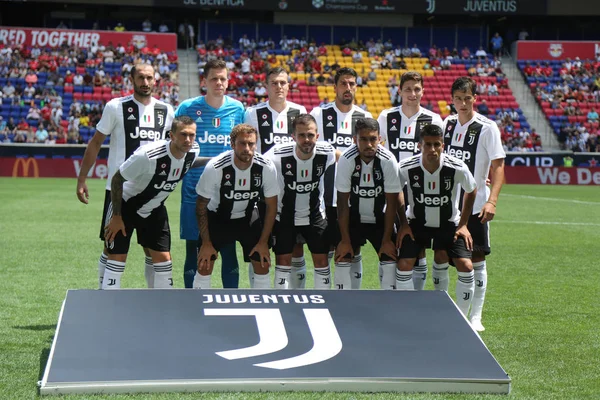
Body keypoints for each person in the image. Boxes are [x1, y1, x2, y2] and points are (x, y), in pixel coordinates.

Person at [76, 63, 175, 289]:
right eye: (141, 77)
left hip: (152, 193)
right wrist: (82, 178)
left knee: (155, 250)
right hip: (120, 192)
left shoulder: (166, 110)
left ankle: (156, 303)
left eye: (149, 78)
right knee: (113, 247)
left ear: (155, 80)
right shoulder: (115, 107)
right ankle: (105, 297)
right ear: (131, 79)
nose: (145, 82)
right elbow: (95, 143)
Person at [102, 116, 202, 289]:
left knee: (163, 260)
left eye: (192, 135)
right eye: (183, 134)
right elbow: (117, 179)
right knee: (117, 257)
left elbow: (185, 163)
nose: (188, 140)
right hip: (126, 206)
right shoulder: (147, 155)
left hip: (154, 208)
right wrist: (117, 217)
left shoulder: (193, 151)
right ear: (171, 135)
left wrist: (215, 161)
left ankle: (160, 305)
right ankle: (105, 299)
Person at [443, 76, 506, 331]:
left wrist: (492, 200)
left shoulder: (487, 127)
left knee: (477, 257)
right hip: (448, 206)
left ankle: (476, 316)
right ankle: (453, 311)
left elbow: (498, 166)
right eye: (458, 98)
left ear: (474, 99)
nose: (462, 103)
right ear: (452, 99)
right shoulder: (446, 124)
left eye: (467, 98)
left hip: (477, 204)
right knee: (448, 259)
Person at [175, 59, 245, 289]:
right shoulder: (186, 108)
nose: (219, 82)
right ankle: (190, 303)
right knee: (194, 251)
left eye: (223, 78)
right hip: (193, 191)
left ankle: (231, 303)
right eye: (214, 78)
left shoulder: (238, 109)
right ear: (204, 80)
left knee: (228, 251)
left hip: (226, 193)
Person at [396, 124, 477, 318]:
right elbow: (395, 191)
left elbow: (471, 189)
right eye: (428, 145)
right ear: (419, 146)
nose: (432, 149)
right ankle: (408, 314)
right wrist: (403, 225)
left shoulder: (456, 167)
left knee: (466, 265)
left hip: (448, 225)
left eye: (437, 145)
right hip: (417, 224)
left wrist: (464, 223)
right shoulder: (406, 167)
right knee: (404, 264)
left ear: (443, 145)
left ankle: (463, 319)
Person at [377, 71, 443, 290]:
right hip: (390, 191)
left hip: (420, 192)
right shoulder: (386, 117)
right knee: (389, 246)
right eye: (408, 89)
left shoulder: (433, 119)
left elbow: (443, 156)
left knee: (418, 247)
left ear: (423, 91)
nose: (412, 94)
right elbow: (378, 150)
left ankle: (417, 298)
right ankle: (390, 295)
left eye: (417, 89)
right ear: (399, 91)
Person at [194, 124, 278, 289]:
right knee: (204, 263)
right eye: (242, 143)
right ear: (232, 144)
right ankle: (198, 308)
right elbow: (201, 206)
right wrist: (206, 243)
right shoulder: (216, 166)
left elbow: (272, 206)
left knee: (262, 262)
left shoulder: (266, 166)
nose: (247, 148)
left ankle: (262, 307)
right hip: (217, 218)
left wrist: (263, 241)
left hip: (247, 218)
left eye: (251, 144)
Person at [244, 67, 307, 288]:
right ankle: (258, 293)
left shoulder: (299, 111)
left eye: (283, 82)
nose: (279, 87)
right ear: (266, 86)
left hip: (292, 191)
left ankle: (295, 296)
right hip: (262, 191)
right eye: (274, 83)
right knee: (257, 243)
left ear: (289, 85)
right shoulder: (253, 113)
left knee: (295, 247)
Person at [310, 67, 372, 290]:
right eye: (343, 84)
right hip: (324, 195)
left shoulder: (365, 117)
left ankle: (351, 301)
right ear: (334, 87)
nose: (348, 88)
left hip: (354, 197)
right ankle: (325, 299)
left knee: (352, 250)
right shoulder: (319, 114)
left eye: (352, 84)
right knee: (324, 250)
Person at [264, 114, 336, 289]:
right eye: (301, 135)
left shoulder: (327, 152)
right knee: (283, 261)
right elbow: (257, 163)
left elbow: (342, 155)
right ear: (293, 137)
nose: (306, 140)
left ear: (317, 136)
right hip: (285, 216)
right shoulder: (276, 155)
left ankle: (323, 303)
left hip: (315, 216)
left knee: (321, 261)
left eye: (310, 135)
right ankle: (285, 304)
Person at [335, 118, 401, 290]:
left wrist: (387, 239)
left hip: (380, 219)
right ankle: (347, 303)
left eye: (373, 139)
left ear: (380, 138)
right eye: (363, 139)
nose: (369, 144)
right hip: (353, 218)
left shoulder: (388, 160)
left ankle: (387, 306)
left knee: (390, 257)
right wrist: (344, 239)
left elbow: (392, 202)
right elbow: (342, 203)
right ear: (355, 139)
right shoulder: (346, 159)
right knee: (343, 255)